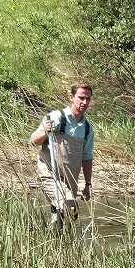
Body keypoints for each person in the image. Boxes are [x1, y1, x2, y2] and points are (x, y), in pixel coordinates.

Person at [30, 83, 94, 228]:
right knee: (70, 207)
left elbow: (87, 157)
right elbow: (34, 141)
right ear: (71, 97)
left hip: (70, 179)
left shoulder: (87, 128)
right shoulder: (57, 117)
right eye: (81, 98)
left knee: (67, 216)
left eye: (88, 99)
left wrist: (88, 185)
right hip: (49, 173)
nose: (84, 102)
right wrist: (45, 132)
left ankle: (54, 241)